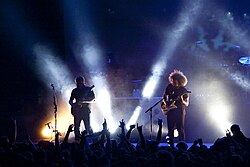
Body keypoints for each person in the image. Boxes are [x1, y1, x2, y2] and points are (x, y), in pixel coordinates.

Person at [161, 70, 190, 148]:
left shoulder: (183, 90)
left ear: (179, 81)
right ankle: (171, 146)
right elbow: (164, 96)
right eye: (172, 80)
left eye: (174, 81)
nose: (173, 82)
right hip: (170, 110)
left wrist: (182, 100)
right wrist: (166, 103)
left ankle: (182, 146)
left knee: (180, 129)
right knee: (170, 129)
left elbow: (187, 103)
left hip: (180, 111)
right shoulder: (169, 87)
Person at [69, 76, 95, 141]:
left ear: (83, 82)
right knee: (76, 127)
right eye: (77, 83)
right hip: (77, 111)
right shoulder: (74, 91)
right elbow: (71, 100)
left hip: (86, 111)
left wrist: (84, 101)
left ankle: (92, 139)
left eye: (79, 82)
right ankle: (77, 140)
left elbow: (93, 100)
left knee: (88, 127)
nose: (78, 84)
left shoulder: (88, 89)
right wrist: (72, 104)